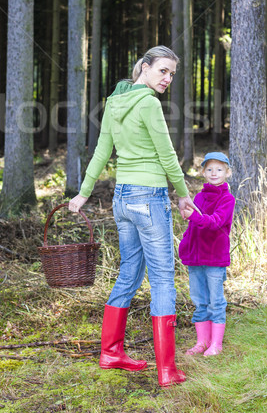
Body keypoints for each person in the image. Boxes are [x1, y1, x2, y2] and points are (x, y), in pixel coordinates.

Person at [68, 45, 199, 387]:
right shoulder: (149, 104)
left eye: (172, 74)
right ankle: (167, 370)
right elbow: (168, 155)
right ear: (144, 67)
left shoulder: (114, 101)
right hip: (149, 198)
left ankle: (111, 353)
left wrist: (84, 192)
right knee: (163, 280)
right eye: (163, 71)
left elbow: (101, 151)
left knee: (129, 272)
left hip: (123, 199)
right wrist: (184, 195)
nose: (168, 78)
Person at [179, 152, 235, 356]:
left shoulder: (227, 199)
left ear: (227, 173)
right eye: (209, 169)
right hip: (196, 258)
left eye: (219, 169)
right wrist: (185, 245)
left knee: (215, 301)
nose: (214, 173)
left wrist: (193, 215)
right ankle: (202, 342)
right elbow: (193, 227)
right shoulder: (199, 197)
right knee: (199, 300)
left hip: (214, 258)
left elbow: (214, 222)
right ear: (203, 172)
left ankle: (216, 345)